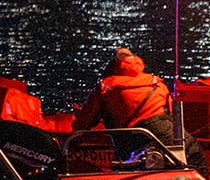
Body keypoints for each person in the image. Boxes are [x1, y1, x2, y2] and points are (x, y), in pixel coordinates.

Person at [74, 47, 203, 170]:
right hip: (162, 131)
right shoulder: (156, 82)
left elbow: (86, 119)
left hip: (132, 138)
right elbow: (169, 111)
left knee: (127, 161)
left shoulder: (106, 87)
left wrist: (76, 132)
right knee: (194, 152)